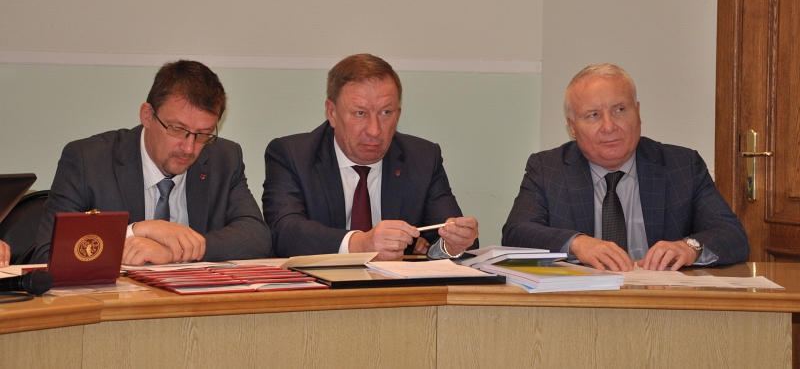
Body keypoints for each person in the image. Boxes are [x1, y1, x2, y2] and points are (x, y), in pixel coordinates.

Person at [502, 63, 749, 271]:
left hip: (661, 302)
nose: (609, 126)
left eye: (619, 110)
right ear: (573, 127)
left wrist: (690, 247)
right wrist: (577, 243)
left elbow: (732, 235)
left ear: (637, 112)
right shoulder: (548, 169)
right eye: (593, 115)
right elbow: (516, 233)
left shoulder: (682, 166)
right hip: (581, 303)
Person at [33, 60, 272, 265]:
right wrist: (137, 230)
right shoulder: (89, 160)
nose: (189, 148)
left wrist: (174, 251)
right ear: (147, 116)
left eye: (203, 134)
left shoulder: (224, 158)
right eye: (177, 129)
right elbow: (46, 255)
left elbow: (256, 237)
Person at [263, 53, 478, 260]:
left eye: (385, 113)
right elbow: (285, 232)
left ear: (398, 114)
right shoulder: (292, 155)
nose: (374, 130)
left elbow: (448, 236)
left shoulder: (423, 158)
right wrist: (359, 244)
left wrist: (451, 246)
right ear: (332, 113)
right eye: (360, 113)